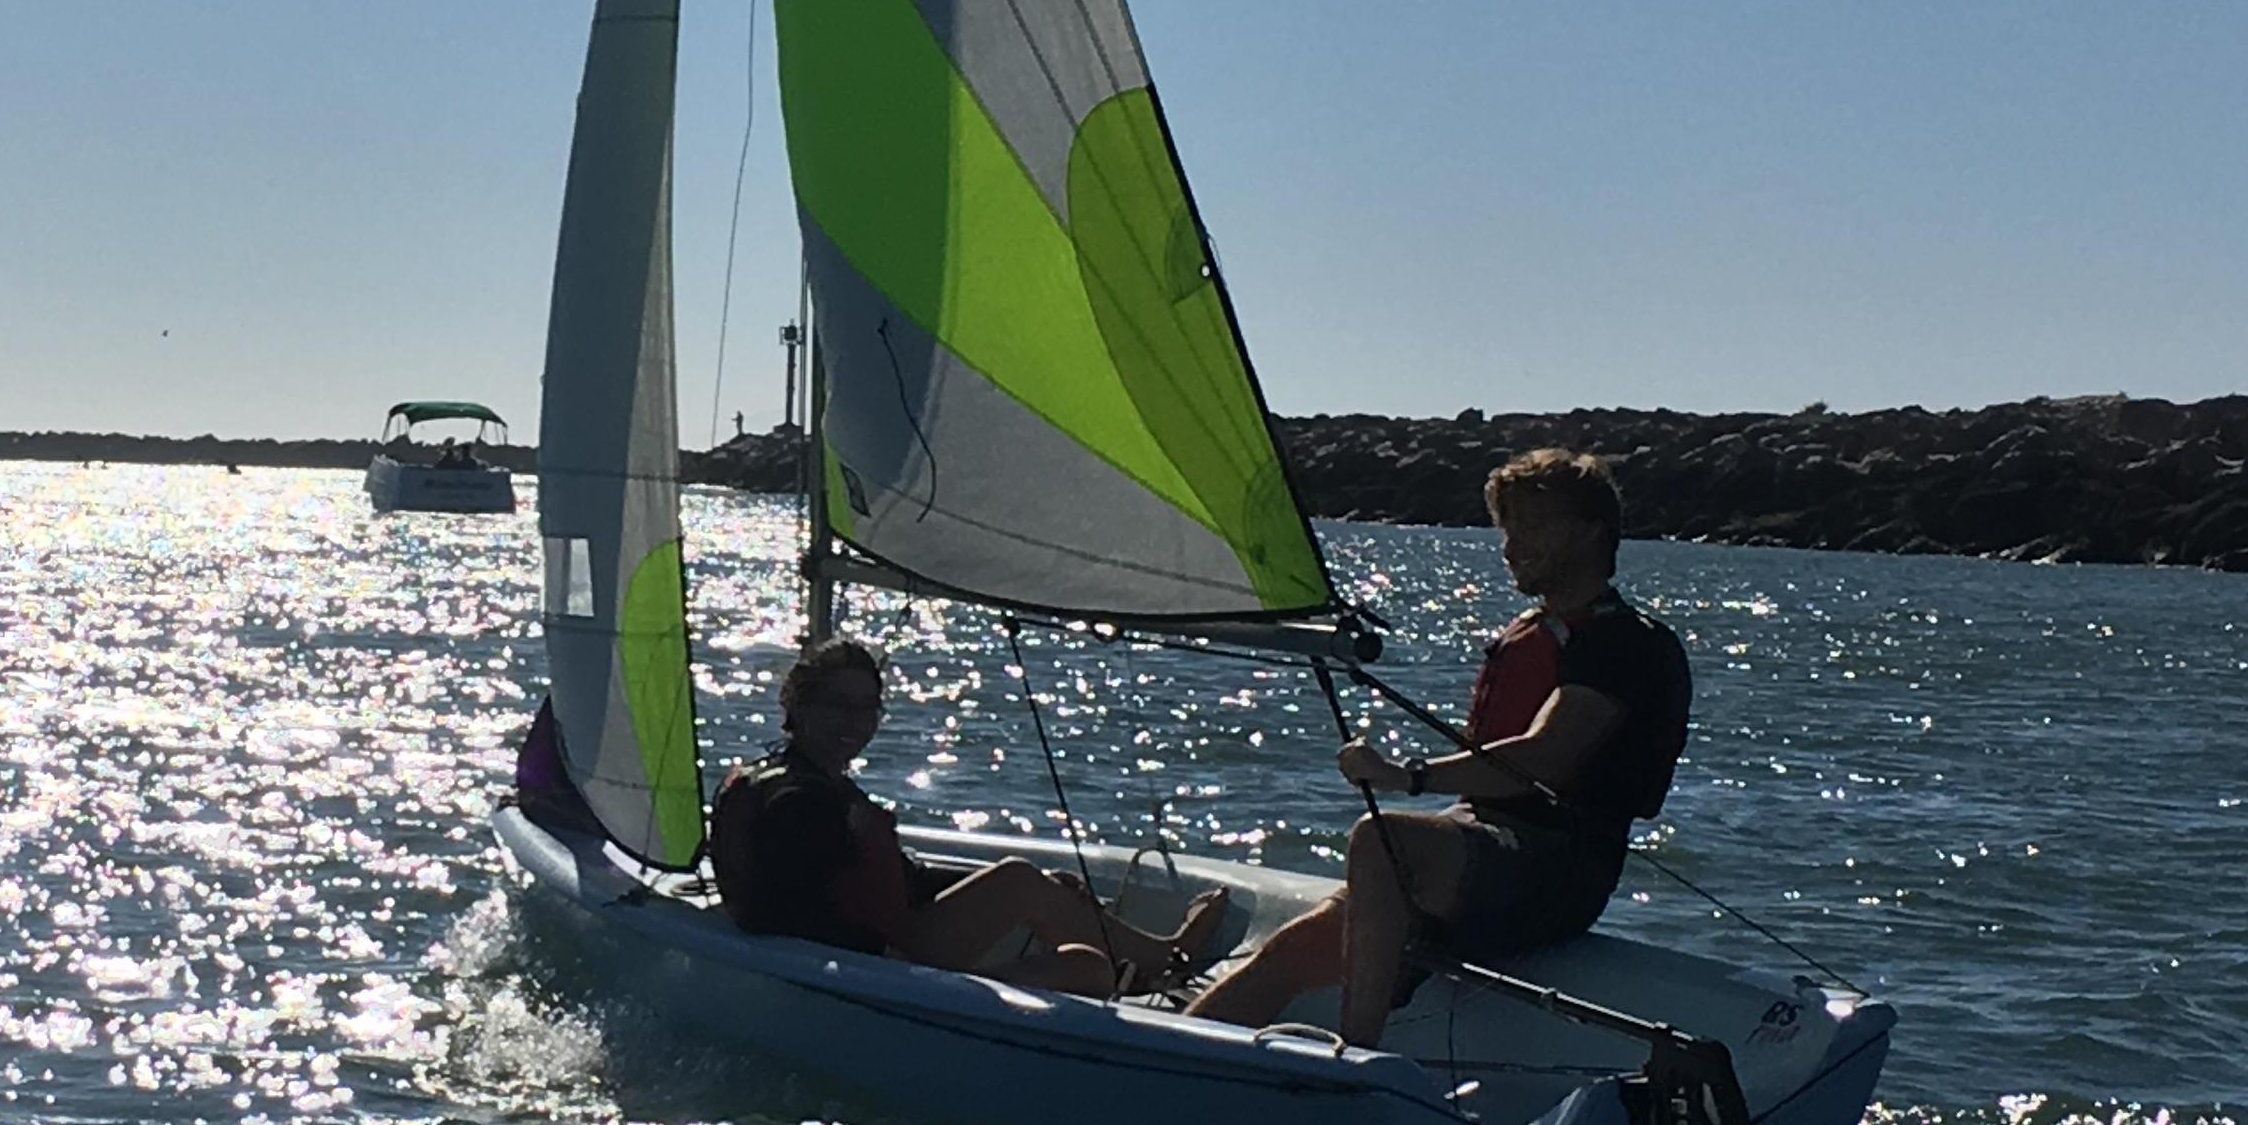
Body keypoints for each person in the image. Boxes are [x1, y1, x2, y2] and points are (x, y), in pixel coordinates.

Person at [1184, 448, 1689, 1050]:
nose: (1511, 543)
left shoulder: (1625, 644)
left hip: (1560, 867)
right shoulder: (1536, 632)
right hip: (1483, 846)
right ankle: (1163, 1052)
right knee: (1291, 951)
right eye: (1508, 527)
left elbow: (1546, 758)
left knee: (1383, 839)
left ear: (1590, 532)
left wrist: (1405, 776)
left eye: (1532, 525)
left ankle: (1358, 1057)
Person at [709, 634, 1221, 997]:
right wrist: (918, 981)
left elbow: (887, 881)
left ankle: (1148, 968)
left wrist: (1003, 887)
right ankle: (1169, 958)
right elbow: (810, 914)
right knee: (1042, 912)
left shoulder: (785, 776)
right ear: (797, 704)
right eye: (838, 706)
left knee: (1060, 927)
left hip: (885, 953)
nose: (855, 723)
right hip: (879, 972)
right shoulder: (800, 803)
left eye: (867, 709)